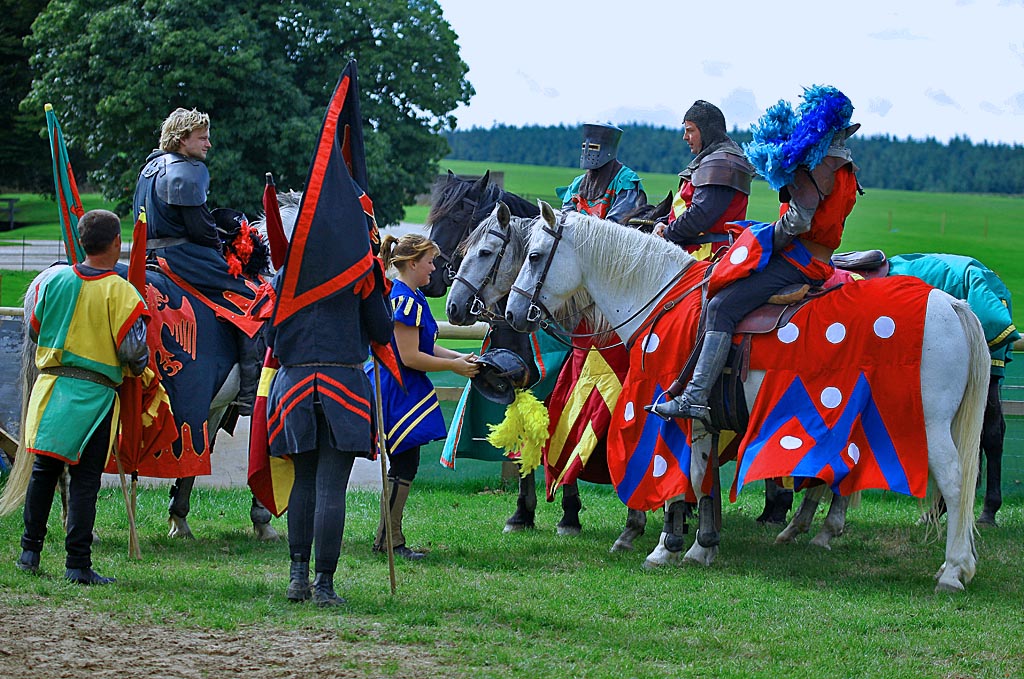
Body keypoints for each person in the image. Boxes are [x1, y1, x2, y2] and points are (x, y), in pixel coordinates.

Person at [651, 85, 861, 421]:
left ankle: (696, 396)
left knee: (720, 305)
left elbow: (799, 220)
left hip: (799, 261)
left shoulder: (819, 166)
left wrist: (765, 239)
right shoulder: (844, 166)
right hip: (816, 257)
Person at [16, 210, 148, 585]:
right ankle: (77, 564)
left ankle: (29, 553)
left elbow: (35, 329)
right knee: (86, 479)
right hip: (94, 397)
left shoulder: (53, 281)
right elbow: (133, 353)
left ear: (82, 241)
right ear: (116, 243)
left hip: (50, 390)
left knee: (43, 473)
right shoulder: (121, 291)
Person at [265, 255, 394, 607]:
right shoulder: (362, 269)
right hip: (344, 387)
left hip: (294, 385)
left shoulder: (286, 272)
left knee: (304, 481)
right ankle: (323, 585)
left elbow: (269, 335)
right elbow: (383, 332)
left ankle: (296, 579)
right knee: (331, 488)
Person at [132, 107, 262, 416]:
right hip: (184, 259)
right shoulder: (187, 170)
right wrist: (224, 244)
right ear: (181, 139)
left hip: (149, 254)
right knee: (255, 300)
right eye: (202, 138)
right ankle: (248, 393)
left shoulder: (150, 168)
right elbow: (200, 228)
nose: (208, 144)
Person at [373, 234, 479, 560]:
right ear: (413, 263)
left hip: (405, 387)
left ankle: (387, 536)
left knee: (406, 461)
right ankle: (390, 540)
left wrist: (460, 358)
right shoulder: (403, 299)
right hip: (399, 388)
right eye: (430, 262)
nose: (434, 268)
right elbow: (409, 356)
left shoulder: (411, 295)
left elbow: (426, 345)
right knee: (404, 461)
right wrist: (453, 366)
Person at [654, 100, 756, 260]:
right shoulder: (712, 160)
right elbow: (686, 207)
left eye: (690, 130)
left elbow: (700, 215)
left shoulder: (722, 163)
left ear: (707, 131)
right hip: (690, 251)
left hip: (707, 257)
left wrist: (667, 233)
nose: (685, 137)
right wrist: (663, 222)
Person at [557, 123, 645, 223]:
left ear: (608, 149)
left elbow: (615, 224)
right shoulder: (577, 184)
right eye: (584, 146)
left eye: (594, 147)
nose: (587, 152)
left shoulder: (626, 180)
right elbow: (566, 221)